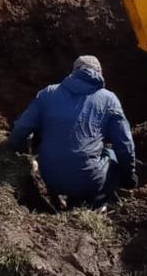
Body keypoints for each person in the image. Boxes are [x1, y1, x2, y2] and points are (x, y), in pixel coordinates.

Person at [8, 55, 137, 208]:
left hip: (49, 177)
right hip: (89, 179)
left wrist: (15, 149)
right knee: (114, 156)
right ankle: (98, 203)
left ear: (74, 71)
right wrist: (129, 177)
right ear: (100, 73)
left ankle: (66, 198)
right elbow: (125, 144)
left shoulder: (48, 93)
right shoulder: (109, 99)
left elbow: (22, 127)